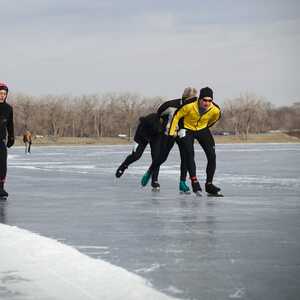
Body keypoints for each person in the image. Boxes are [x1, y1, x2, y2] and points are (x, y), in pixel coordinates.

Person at [141, 87, 198, 194]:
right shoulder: (170, 105)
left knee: (185, 156)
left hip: (183, 133)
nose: (192, 103)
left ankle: (182, 183)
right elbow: (159, 116)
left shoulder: (195, 107)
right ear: (184, 98)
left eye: (194, 100)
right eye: (190, 100)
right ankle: (150, 173)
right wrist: (163, 127)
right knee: (162, 156)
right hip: (169, 133)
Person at [167, 86, 222, 196]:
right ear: (199, 99)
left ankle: (209, 184)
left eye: (210, 101)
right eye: (205, 100)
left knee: (212, 155)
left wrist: (205, 127)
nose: (207, 103)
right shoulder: (189, 106)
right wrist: (172, 133)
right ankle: (194, 181)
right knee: (189, 154)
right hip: (188, 130)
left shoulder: (215, 110)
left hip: (202, 129)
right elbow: (176, 117)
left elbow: (213, 120)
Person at [115, 112, 163, 190]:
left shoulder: (166, 125)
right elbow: (141, 128)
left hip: (156, 136)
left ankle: (154, 180)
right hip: (142, 136)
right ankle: (123, 166)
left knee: (156, 158)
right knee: (136, 155)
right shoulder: (148, 121)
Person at [0, 83, 14, 198]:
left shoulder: (8, 108)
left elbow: (10, 125)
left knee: (2, 164)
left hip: (1, 140)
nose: (2, 96)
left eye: (4, 94)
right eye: (0, 93)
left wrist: (11, 137)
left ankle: (1, 187)